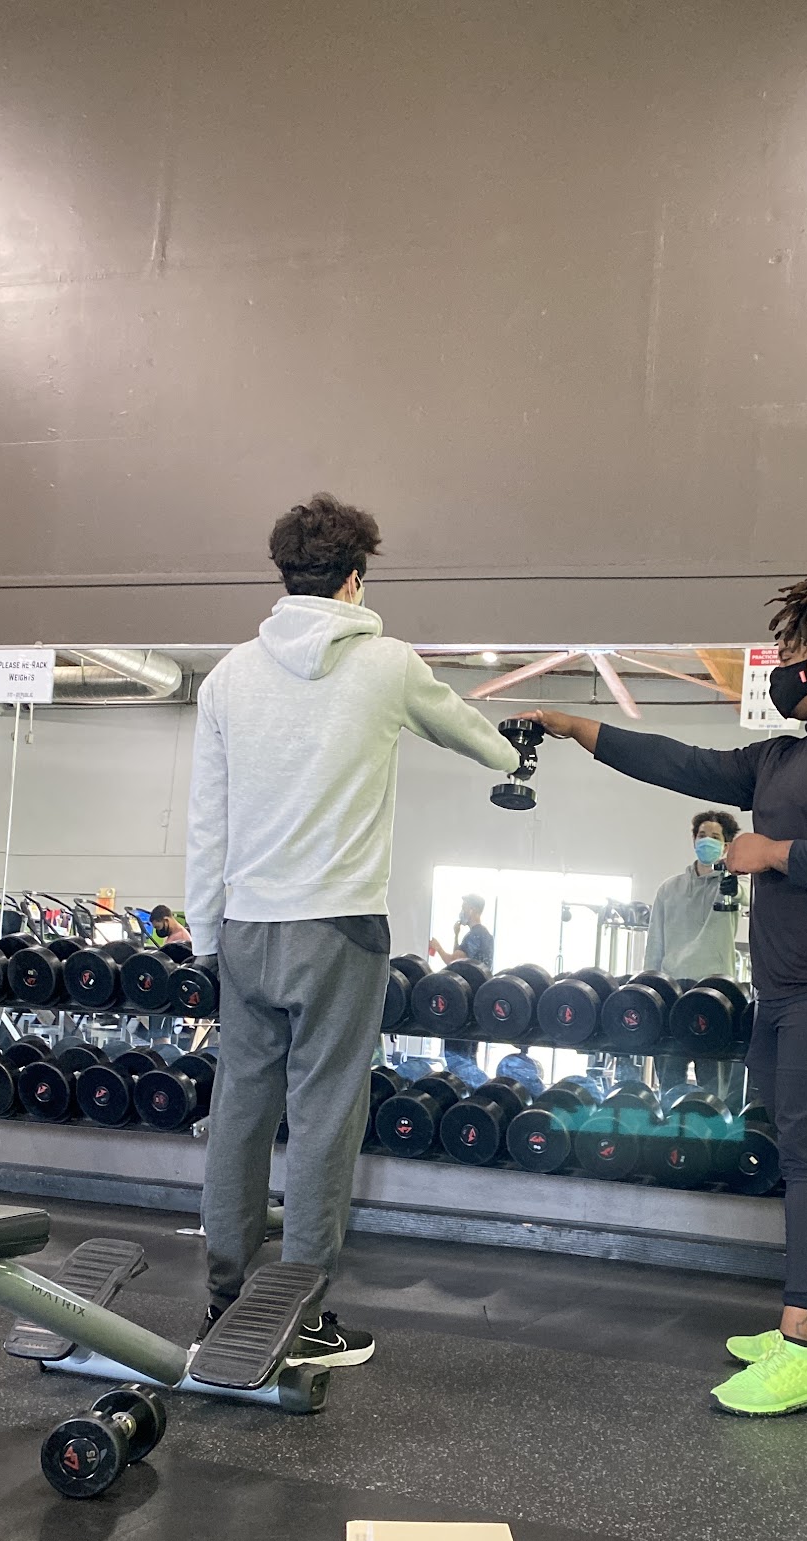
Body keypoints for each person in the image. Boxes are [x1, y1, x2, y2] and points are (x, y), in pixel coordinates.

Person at [524, 558, 807, 1419]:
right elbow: (683, 762)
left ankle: (801, 1351)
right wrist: (578, 728)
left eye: (787, 654)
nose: (776, 669)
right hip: (787, 983)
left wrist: (775, 852)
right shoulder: (785, 756)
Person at [184, 492, 519, 1357]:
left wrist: (206, 935)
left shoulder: (228, 677)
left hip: (247, 926)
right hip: (338, 925)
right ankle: (299, 1319)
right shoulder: (387, 663)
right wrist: (515, 752)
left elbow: (206, 822)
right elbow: (475, 737)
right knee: (324, 1119)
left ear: (285, 576)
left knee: (239, 1113)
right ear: (354, 581)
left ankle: (225, 1301)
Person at [646, 808, 741, 1094]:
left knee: (713, 1087)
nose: (706, 841)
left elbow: (745, 895)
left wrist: (733, 882)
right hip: (672, 991)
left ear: (726, 846)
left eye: (715, 837)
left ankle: (713, 1123)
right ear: (694, 840)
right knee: (669, 1082)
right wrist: (649, 987)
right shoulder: (669, 889)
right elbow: (655, 943)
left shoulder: (733, 885)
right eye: (702, 835)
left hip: (716, 993)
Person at [429, 895, 493, 1073]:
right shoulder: (485, 935)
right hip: (477, 1000)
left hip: (464, 1002)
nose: (462, 911)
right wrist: (456, 935)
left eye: (464, 907)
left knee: (457, 1055)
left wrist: (438, 947)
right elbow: (460, 960)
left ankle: (462, 1085)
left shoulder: (474, 935)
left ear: (472, 910)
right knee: (468, 1055)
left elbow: (453, 961)